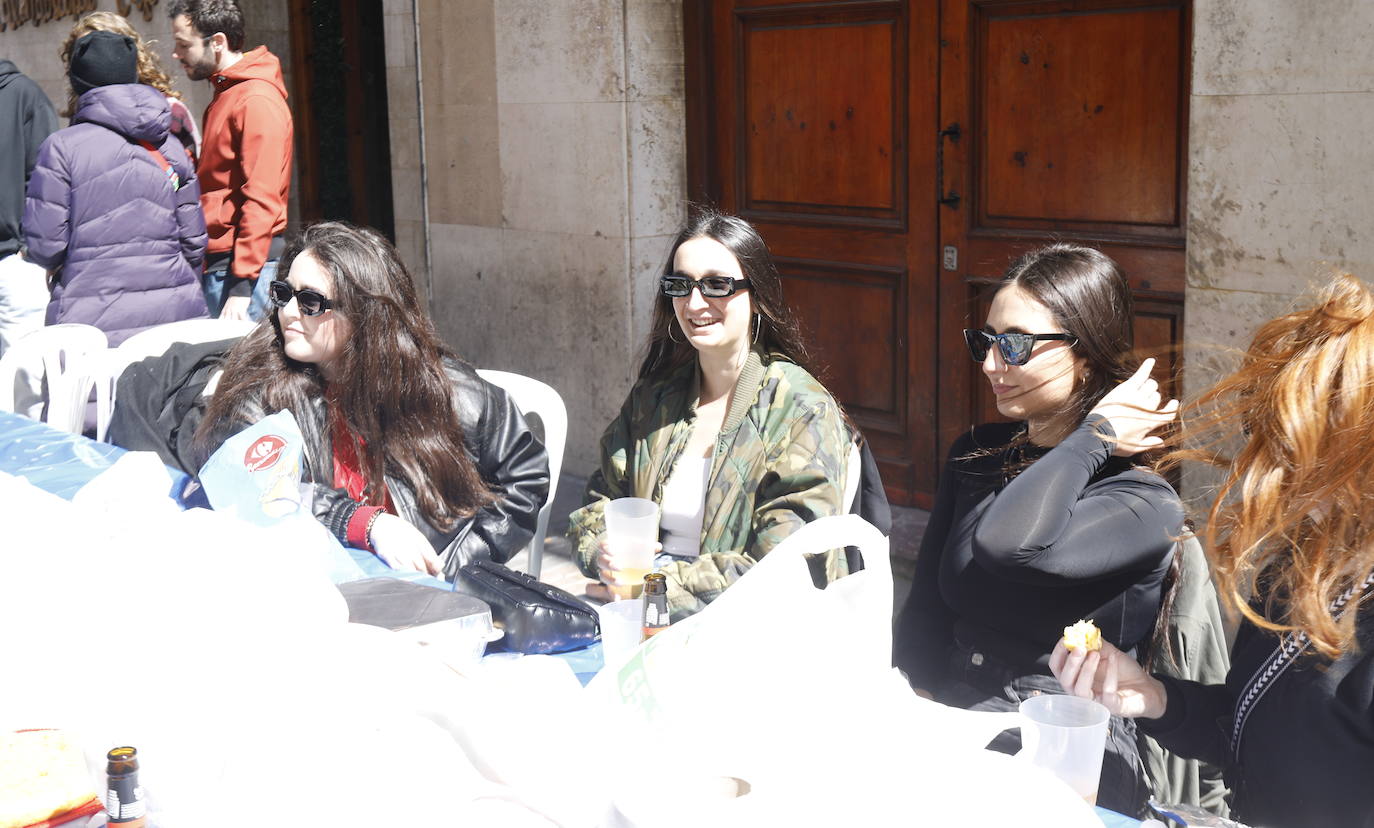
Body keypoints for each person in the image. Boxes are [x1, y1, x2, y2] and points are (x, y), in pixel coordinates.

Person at [1051, 274, 1374, 828]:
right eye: (1267, 438)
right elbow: (1250, 729)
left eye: (1298, 451)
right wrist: (1152, 696)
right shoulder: (1296, 572)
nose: (1266, 473)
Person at [892, 243, 1182, 815]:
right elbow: (927, 602)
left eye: (1016, 344)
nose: (991, 365)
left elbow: (1010, 545)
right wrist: (913, 698)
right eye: (987, 341)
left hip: (1065, 740)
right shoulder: (975, 454)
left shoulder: (1142, 499)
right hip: (953, 714)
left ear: (1088, 354)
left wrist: (1092, 438)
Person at [182, 221, 548, 576]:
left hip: (425, 597)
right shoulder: (262, 387)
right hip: (312, 586)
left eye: (310, 301)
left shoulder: (447, 389)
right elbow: (246, 487)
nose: (288, 312)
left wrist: (453, 568)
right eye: (283, 293)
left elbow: (524, 477)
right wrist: (364, 523)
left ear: (363, 312)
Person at [568, 208, 852, 620]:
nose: (695, 302)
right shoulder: (656, 396)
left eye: (717, 285)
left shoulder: (802, 411)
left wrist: (656, 590)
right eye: (680, 285)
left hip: (755, 636)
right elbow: (600, 500)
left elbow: (788, 563)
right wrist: (601, 553)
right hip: (648, 623)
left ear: (756, 295)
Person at [23, 29, 208, 344]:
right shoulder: (170, 147)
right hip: (175, 318)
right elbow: (194, 242)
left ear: (78, 83)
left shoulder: (61, 148)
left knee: (99, 395)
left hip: (90, 323)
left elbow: (46, 246)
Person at [169, 0, 292, 322]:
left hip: (244, 275)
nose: (176, 54)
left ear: (218, 41)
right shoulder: (227, 93)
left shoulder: (254, 100)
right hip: (227, 267)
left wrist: (241, 286)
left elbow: (262, 197)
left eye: (184, 44)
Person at [58, 11, 201, 164]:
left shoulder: (170, 111)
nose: (95, 62)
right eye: (85, 53)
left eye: (105, 51)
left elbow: (191, 174)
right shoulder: (79, 115)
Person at [0, 57, 58, 355]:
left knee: (19, 375)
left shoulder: (23, 94)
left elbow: (45, 177)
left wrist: (27, 244)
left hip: (13, 263)